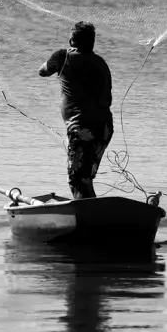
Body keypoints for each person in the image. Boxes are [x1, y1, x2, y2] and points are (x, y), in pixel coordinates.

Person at [39, 22, 113, 199]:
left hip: (82, 128)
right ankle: (95, 216)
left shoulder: (62, 56)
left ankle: (89, 220)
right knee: (85, 178)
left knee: (77, 179)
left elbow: (42, 71)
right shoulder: (100, 62)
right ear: (92, 42)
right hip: (104, 128)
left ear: (71, 39)